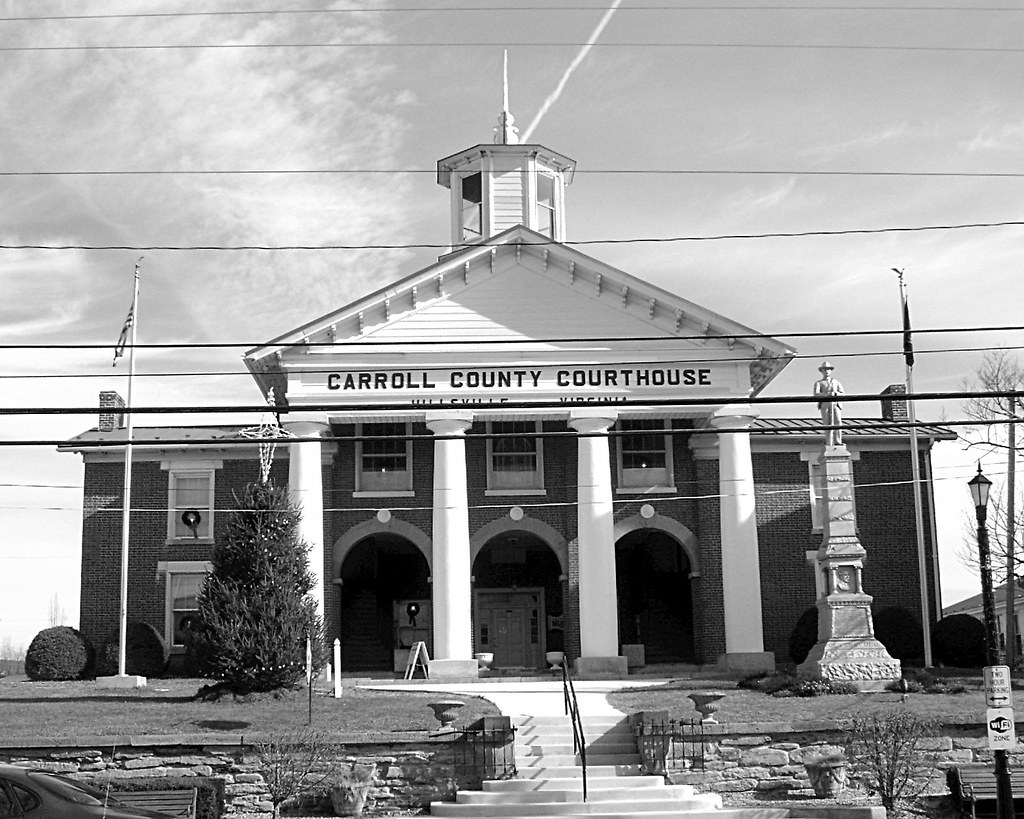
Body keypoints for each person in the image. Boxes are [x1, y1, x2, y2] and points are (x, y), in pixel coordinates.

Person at [814, 361, 844, 446]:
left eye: (828, 369)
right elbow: (816, 394)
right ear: (822, 371)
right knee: (827, 424)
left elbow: (842, 393)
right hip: (825, 404)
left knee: (838, 422)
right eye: (824, 369)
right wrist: (827, 394)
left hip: (835, 403)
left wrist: (835, 394)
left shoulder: (836, 382)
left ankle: (838, 441)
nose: (826, 371)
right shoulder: (819, 383)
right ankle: (829, 442)